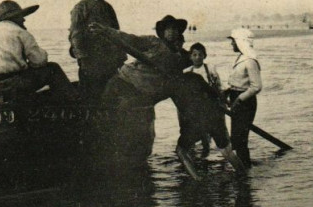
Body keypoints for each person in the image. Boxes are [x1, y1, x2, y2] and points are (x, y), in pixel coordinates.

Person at [89, 16, 245, 175]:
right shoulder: (153, 42)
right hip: (124, 82)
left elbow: (197, 66)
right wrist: (106, 31)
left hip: (144, 97)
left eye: (175, 30)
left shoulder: (182, 57)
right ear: (162, 32)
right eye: (168, 29)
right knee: (103, 116)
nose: (171, 33)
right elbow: (130, 40)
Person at [0, 0, 78, 102]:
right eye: (21, 16)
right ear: (15, 17)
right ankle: (73, 102)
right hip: (6, 86)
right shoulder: (19, 32)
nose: (24, 20)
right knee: (53, 68)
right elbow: (40, 61)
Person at [69, 0, 127, 100]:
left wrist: (120, 58)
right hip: (91, 65)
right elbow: (75, 37)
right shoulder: (81, 8)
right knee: (91, 100)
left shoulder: (108, 8)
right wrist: (84, 61)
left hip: (110, 63)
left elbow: (116, 34)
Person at [226, 28, 262, 168]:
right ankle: (243, 168)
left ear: (241, 42)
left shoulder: (250, 60)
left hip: (245, 103)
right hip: (238, 99)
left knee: (240, 139)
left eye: (233, 42)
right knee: (236, 138)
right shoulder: (242, 57)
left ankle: (245, 171)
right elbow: (239, 81)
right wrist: (228, 91)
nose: (232, 45)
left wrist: (239, 99)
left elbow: (256, 86)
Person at [183, 43, 223, 157]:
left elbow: (218, 85)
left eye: (200, 55)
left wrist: (221, 100)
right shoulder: (187, 71)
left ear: (204, 56)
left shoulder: (209, 68)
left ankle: (220, 151)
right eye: (194, 55)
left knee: (217, 130)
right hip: (195, 105)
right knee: (200, 131)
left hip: (210, 103)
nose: (197, 57)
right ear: (190, 56)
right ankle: (205, 152)